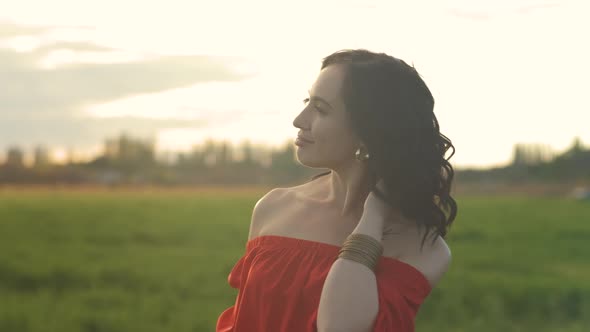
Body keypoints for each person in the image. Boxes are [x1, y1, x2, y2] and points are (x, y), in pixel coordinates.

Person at [216, 49, 457, 332]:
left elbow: (341, 327)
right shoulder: (273, 208)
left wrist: (374, 215)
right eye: (307, 101)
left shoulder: (422, 248)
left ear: (369, 132)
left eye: (320, 109)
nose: (299, 120)